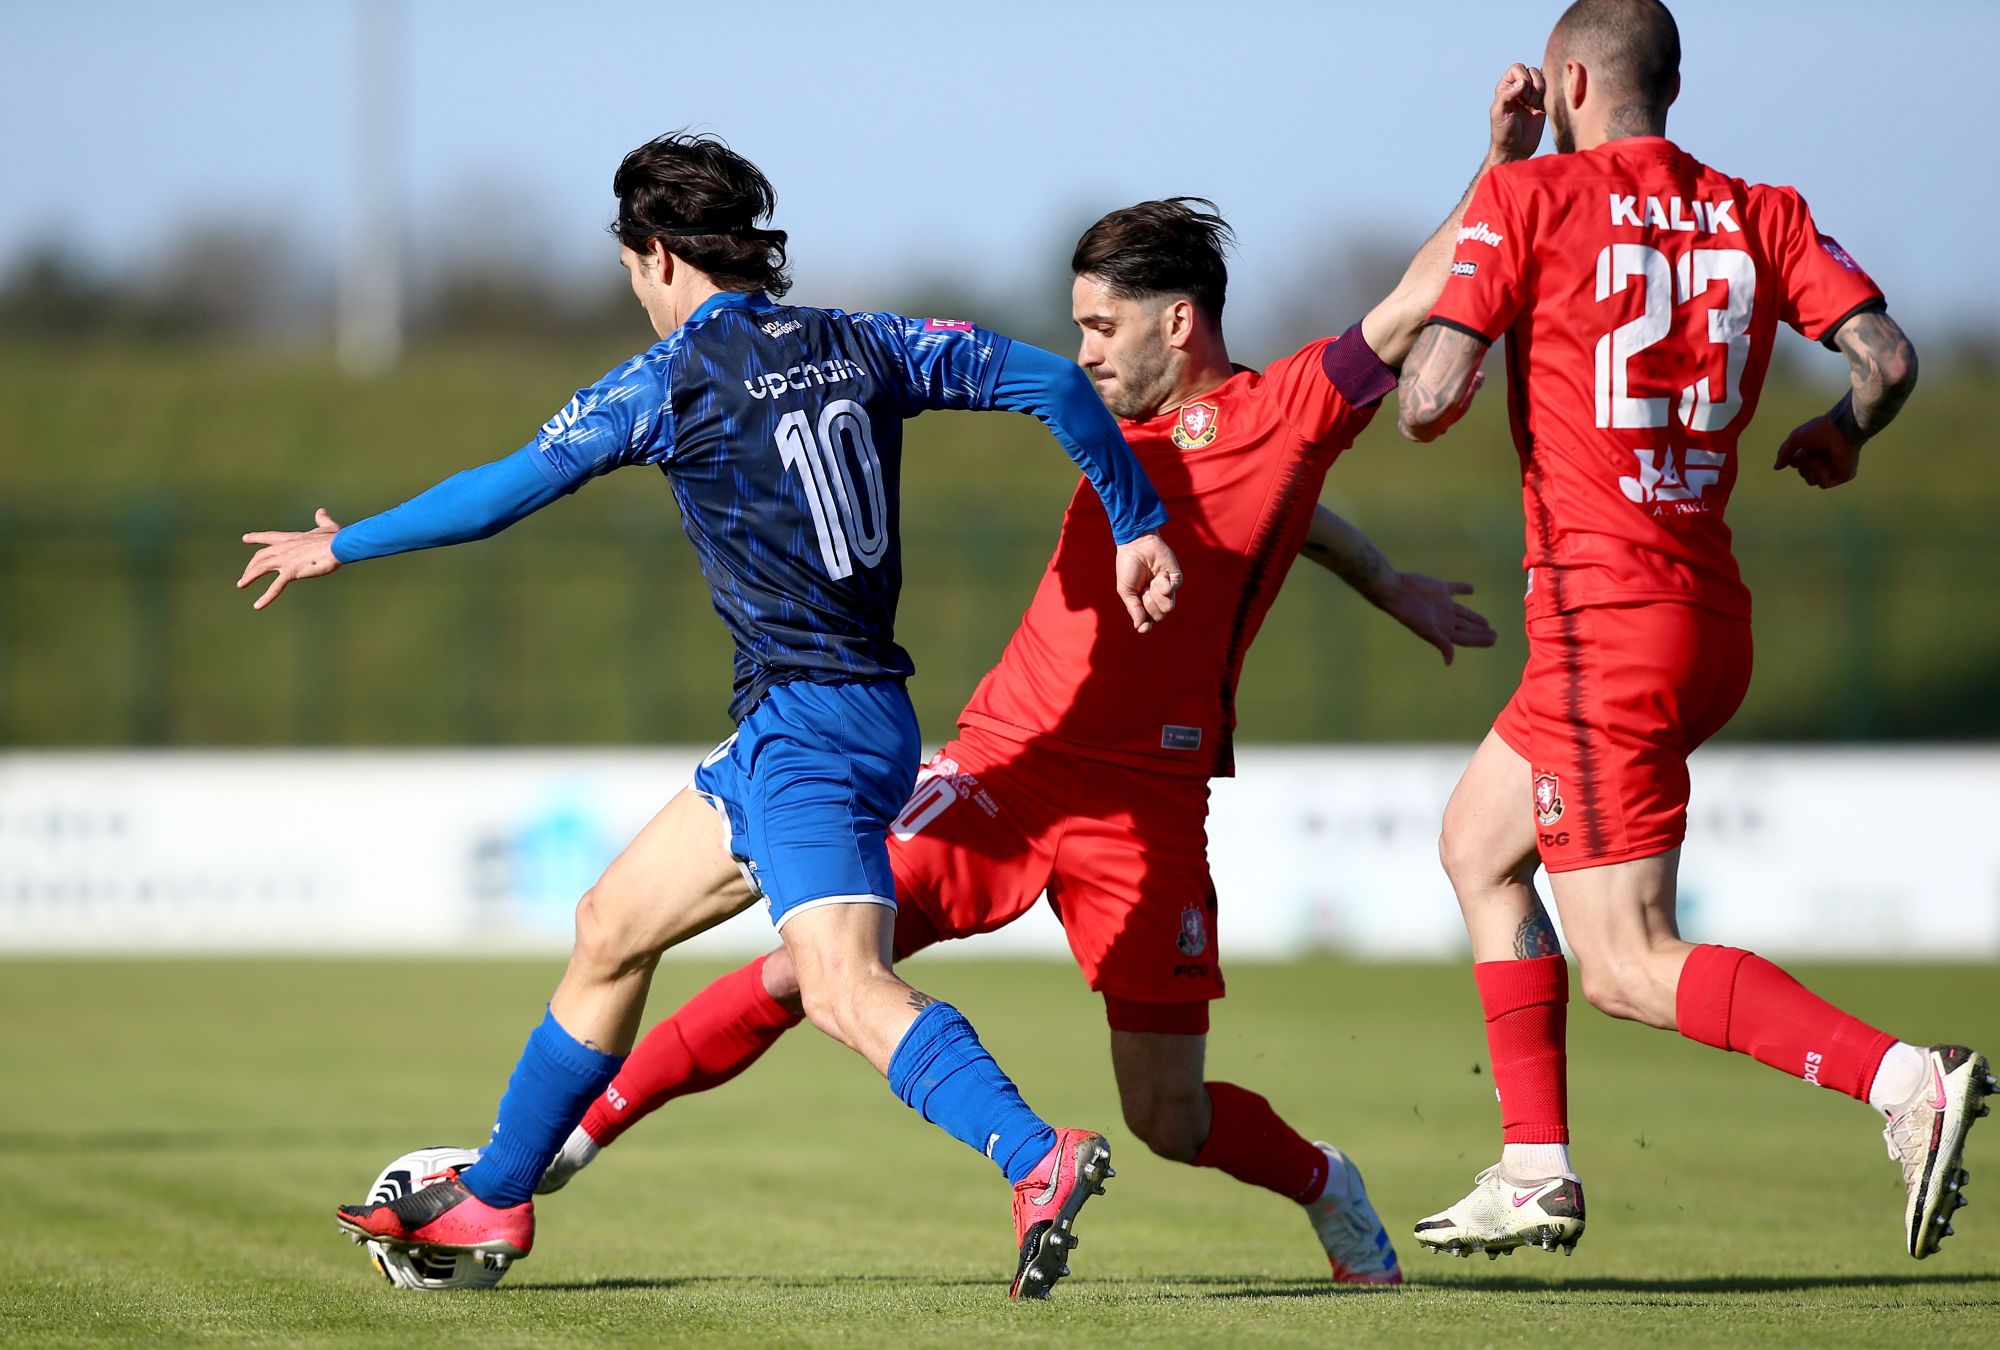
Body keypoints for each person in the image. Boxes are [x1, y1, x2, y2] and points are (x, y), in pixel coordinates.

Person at [522, 66, 1544, 1286]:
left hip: (1148, 810)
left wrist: (1504, 164)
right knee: (811, 967)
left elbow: (1394, 326)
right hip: (1003, 766)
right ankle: (564, 1141)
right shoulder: (1106, 428)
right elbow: (1277, 519)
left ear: (1179, 320)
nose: (1082, 354)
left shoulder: (1284, 416)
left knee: (1170, 1117)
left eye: (1101, 327)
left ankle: (1326, 1182)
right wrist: (1379, 577)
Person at [236, 131, 1185, 1300]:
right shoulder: (865, 340)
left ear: (653, 255)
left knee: (838, 986)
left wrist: (343, 542)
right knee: (609, 926)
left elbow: (497, 497)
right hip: (830, 722)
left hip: (809, 730)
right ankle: (495, 1196)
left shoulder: (667, 380)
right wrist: (1135, 518)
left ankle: (1033, 1156)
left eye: (632, 267)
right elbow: (1046, 382)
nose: (634, 288)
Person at [1395, 0, 1991, 1263]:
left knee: (1622, 961)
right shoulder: (1758, 208)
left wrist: (1497, 184)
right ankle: (1533, 1167)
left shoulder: (1531, 200)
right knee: (1475, 843)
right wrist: (1840, 432)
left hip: (1599, 629)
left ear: (1562, 82)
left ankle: (1900, 1080)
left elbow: (1425, 398)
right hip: (1704, 616)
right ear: (1668, 87)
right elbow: (1882, 360)